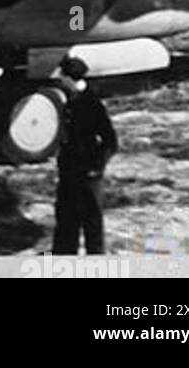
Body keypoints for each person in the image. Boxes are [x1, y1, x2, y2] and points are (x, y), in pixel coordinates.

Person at [52, 56, 118, 254]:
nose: (60, 78)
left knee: (92, 220)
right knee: (65, 217)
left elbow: (111, 141)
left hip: (88, 173)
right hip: (69, 170)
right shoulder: (70, 98)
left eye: (62, 74)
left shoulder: (92, 104)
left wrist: (97, 168)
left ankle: (95, 260)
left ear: (69, 77)